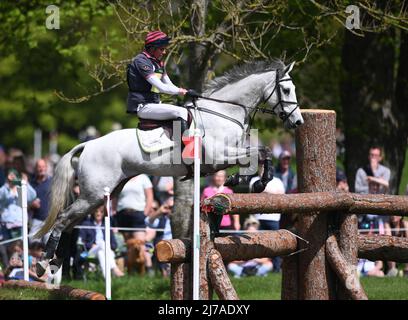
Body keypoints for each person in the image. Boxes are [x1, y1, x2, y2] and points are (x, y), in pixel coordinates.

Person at [126, 30, 192, 135]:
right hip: (143, 106)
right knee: (181, 112)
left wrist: (187, 91)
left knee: (187, 109)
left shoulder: (158, 63)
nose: (164, 52)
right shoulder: (141, 61)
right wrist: (180, 91)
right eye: (162, 49)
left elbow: (169, 84)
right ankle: (180, 149)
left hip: (154, 104)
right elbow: (161, 87)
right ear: (152, 48)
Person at [79, 205, 124, 278]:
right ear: (93, 213)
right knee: (102, 243)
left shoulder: (107, 225)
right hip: (89, 251)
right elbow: (81, 241)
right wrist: (90, 245)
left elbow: (114, 243)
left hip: (106, 250)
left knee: (101, 252)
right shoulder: (86, 224)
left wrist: (110, 247)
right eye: (96, 211)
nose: (98, 213)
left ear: (104, 214)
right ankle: (114, 268)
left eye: (101, 212)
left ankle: (106, 278)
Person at [253, 177, 285, 272]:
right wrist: (272, 193)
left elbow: (282, 196)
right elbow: (252, 196)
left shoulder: (278, 181)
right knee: (257, 244)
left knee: (276, 244)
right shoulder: (254, 180)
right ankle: (255, 268)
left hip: (274, 218)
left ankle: (276, 267)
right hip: (258, 218)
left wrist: (266, 193)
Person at [0, 168, 37, 240]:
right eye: (11, 176)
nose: (13, 178)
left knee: (20, 247)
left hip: (20, 223)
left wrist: (26, 183)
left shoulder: (20, 188)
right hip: (7, 223)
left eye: (14, 176)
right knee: (7, 248)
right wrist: (8, 184)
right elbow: (1, 196)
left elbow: (32, 196)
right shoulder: (4, 189)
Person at [145, 197, 173, 277]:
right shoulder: (161, 219)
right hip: (162, 247)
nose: (170, 210)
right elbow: (148, 221)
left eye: (172, 207)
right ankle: (164, 272)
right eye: (168, 207)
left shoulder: (182, 220)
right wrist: (159, 211)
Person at [29, 159, 52, 244]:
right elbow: (24, 202)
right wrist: (31, 204)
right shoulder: (31, 184)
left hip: (50, 220)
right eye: (39, 167)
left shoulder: (52, 182)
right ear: (35, 169)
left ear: (46, 168)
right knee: (33, 243)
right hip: (36, 220)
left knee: (49, 246)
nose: (41, 169)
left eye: (43, 166)